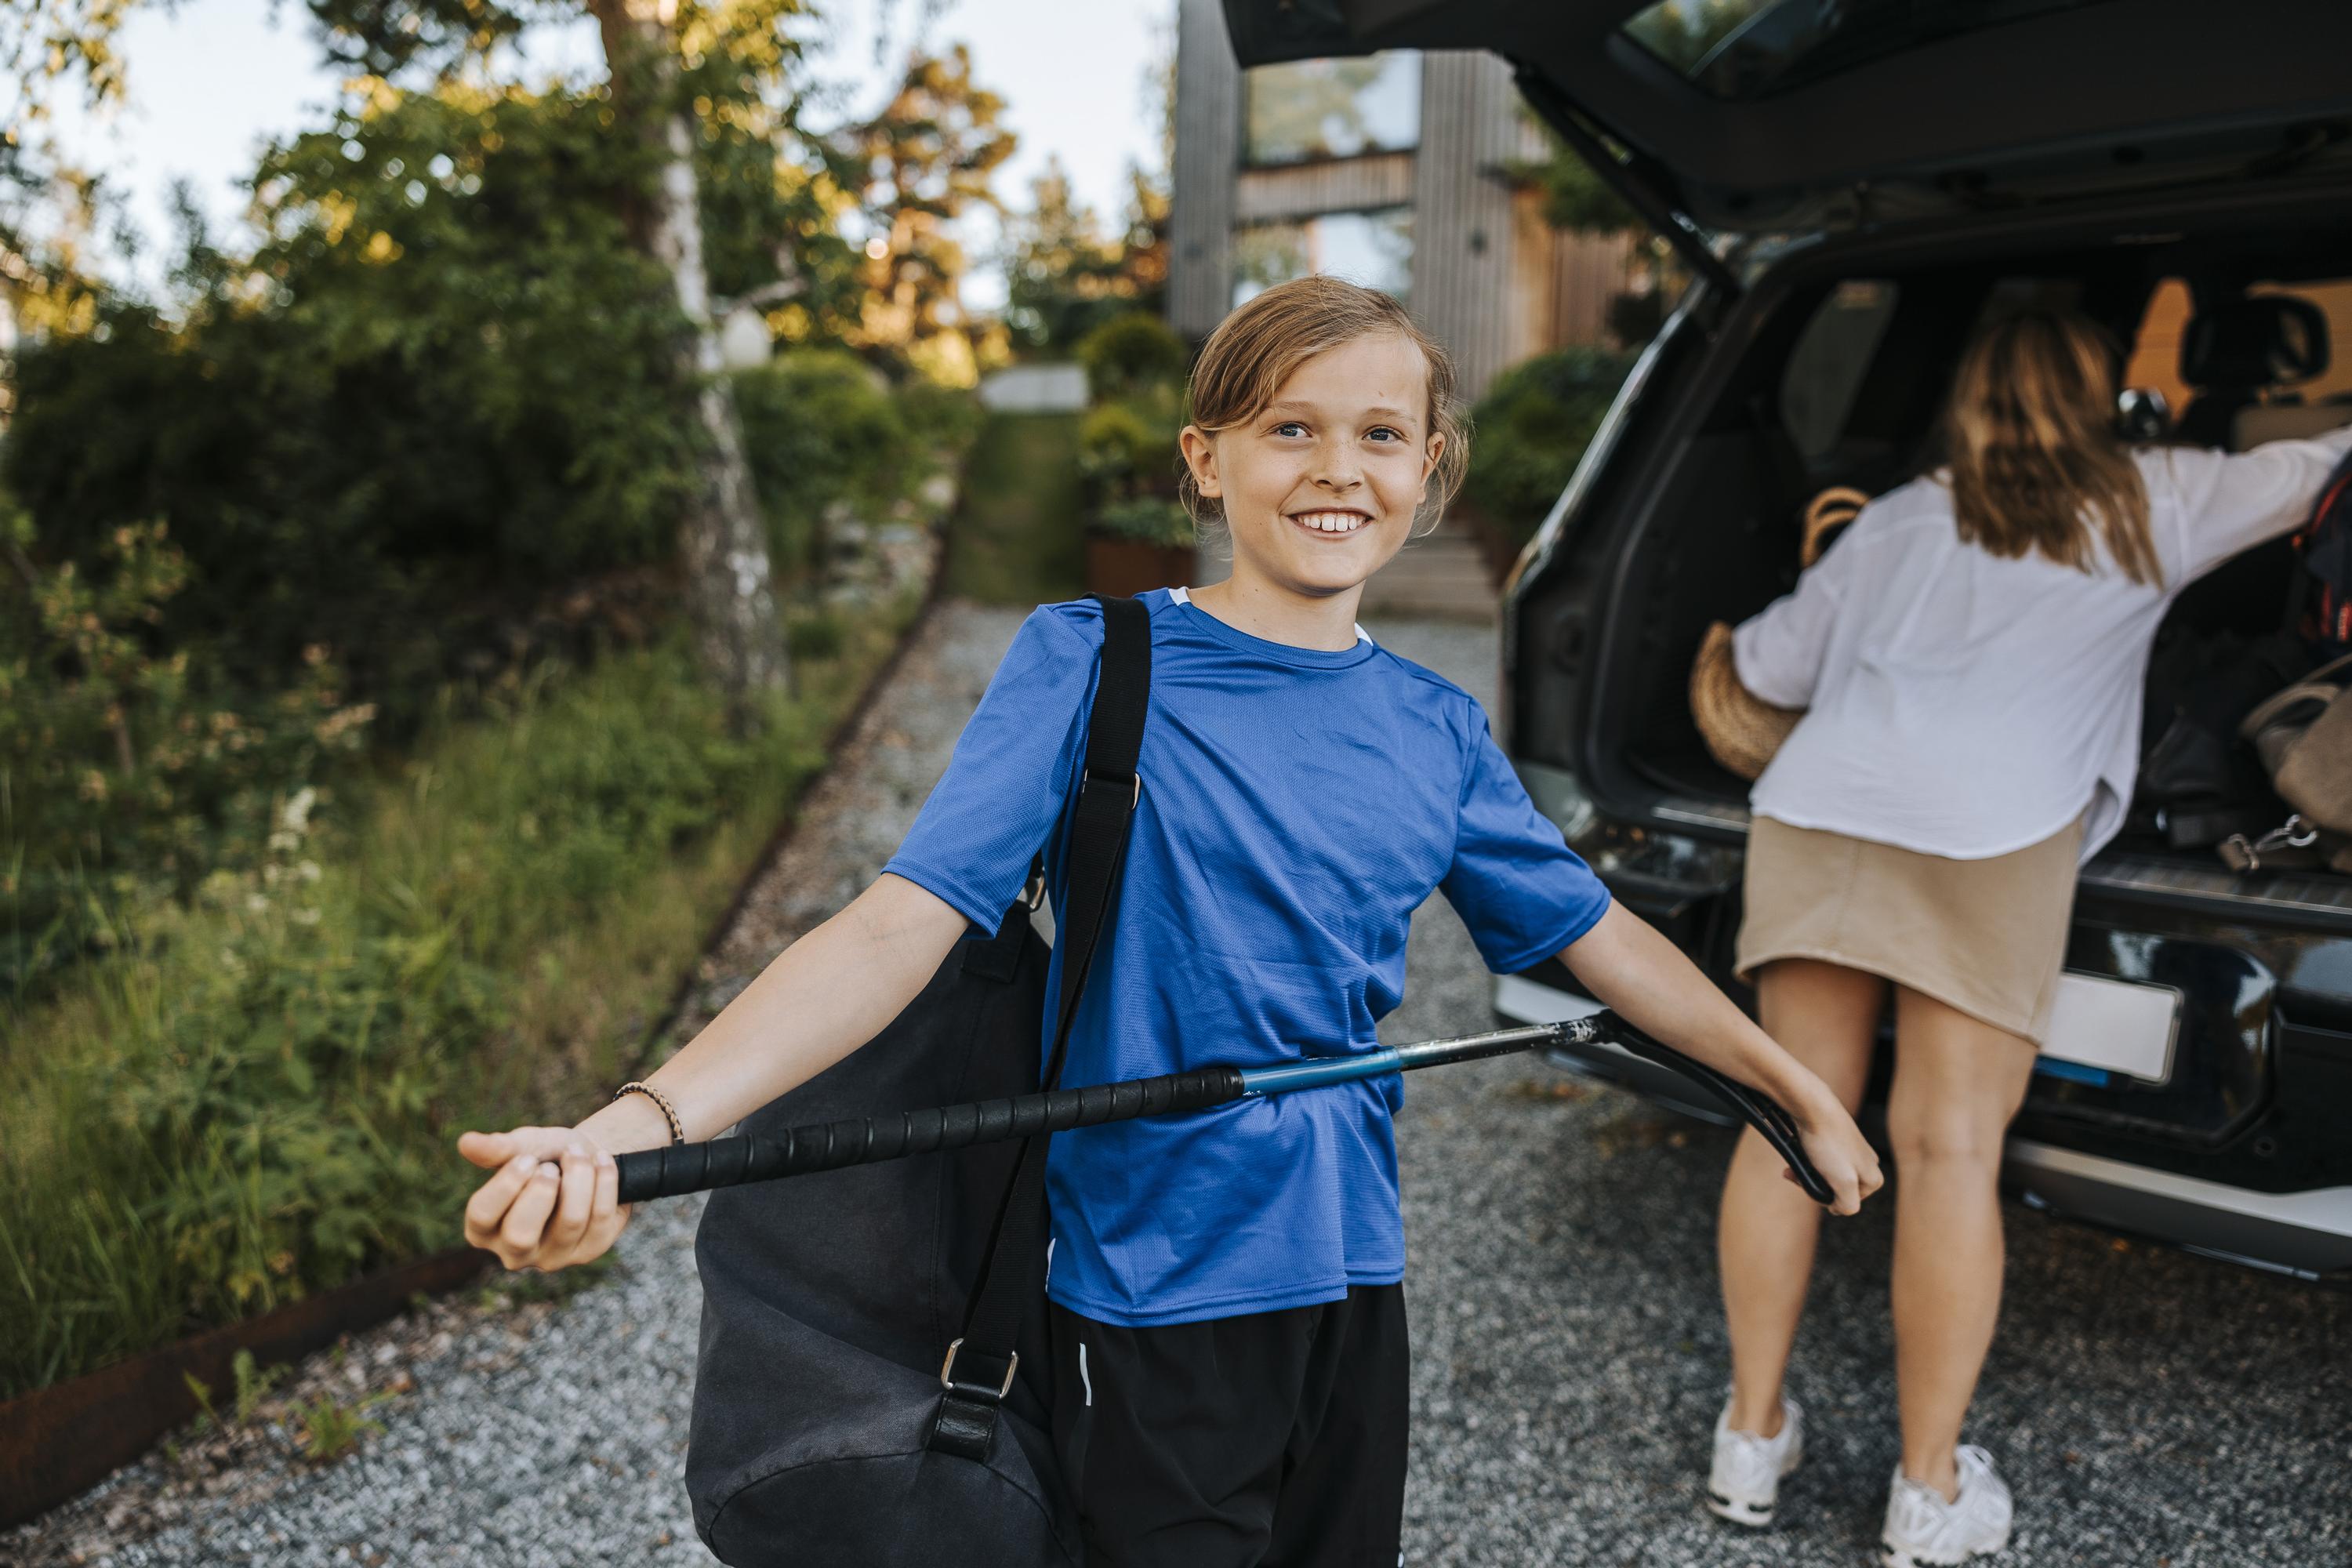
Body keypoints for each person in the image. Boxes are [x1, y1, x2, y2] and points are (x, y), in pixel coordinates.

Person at [455, 275, 1883, 1567]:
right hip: (1144, 1286)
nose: (1339, 470)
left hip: (1349, 1279)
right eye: (1290, 430)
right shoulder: (1093, 658)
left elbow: (1603, 942)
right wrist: (632, 1129)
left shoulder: (1437, 730)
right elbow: (901, 925)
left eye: (1383, 436)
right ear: (1208, 460)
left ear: (1430, 470)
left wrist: (1791, 1086)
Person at [1707, 307, 2352, 1566]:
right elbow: (2327, 465)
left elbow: (1772, 671)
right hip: (1990, 835)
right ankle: (1926, 1496)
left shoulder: (1897, 517)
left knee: (1788, 1123)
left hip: (1822, 814)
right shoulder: (2157, 495)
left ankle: (1748, 1438)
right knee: (1947, 1154)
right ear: (2102, 391)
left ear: (1966, 394)